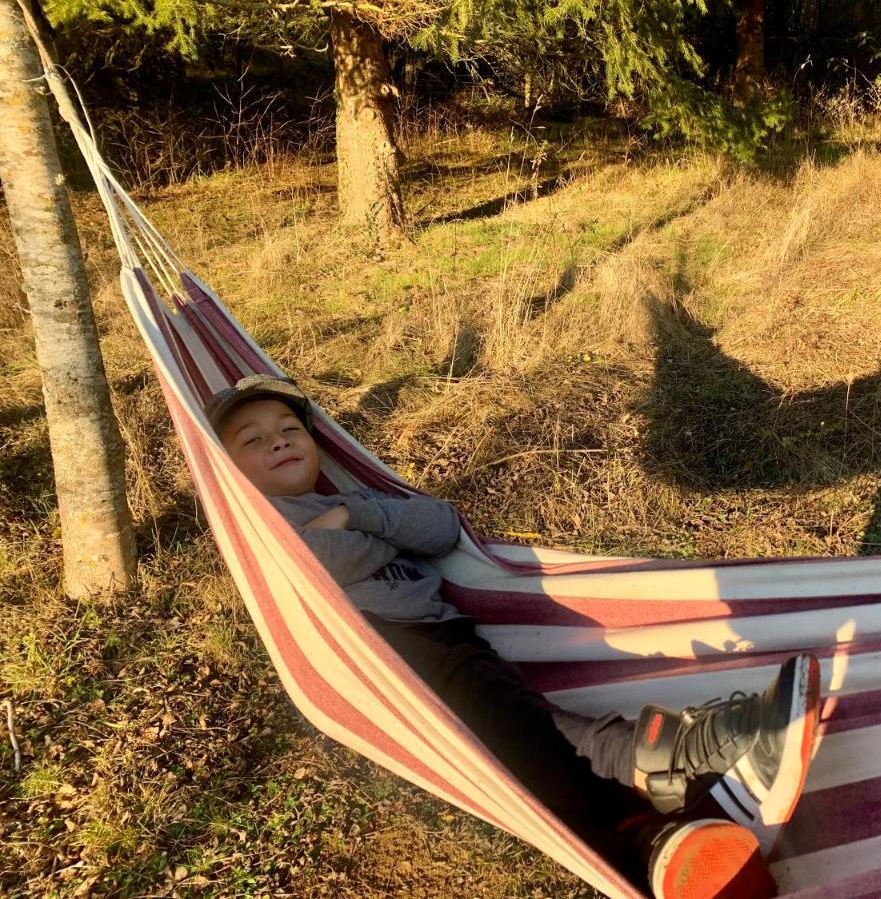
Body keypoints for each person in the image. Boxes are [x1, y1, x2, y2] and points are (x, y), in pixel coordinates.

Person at [205, 374, 822, 899]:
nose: (277, 441)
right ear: (229, 471)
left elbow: (442, 526)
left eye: (287, 428)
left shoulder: (355, 501)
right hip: (393, 656)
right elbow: (320, 565)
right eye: (252, 440)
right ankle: (679, 773)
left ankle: (667, 824)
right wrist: (371, 533)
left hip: (454, 640)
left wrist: (358, 514)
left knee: (537, 733)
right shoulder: (267, 530)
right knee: (528, 735)